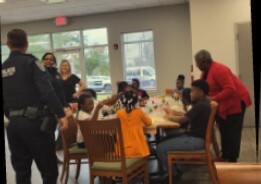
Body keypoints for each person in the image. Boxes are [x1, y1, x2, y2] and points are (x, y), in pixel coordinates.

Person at [2, 29, 68, 184]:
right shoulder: (32, 63)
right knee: (49, 170)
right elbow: (47, 92)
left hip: (13, 126)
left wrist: (12, 116)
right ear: (26, 43)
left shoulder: (3, 67)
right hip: (35, 124)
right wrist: (61, 114)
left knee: (22, 172)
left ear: (8, 44)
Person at [194, 49, 252, 162]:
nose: (197, 66)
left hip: (236, 101)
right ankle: (225, 155)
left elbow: (230, 89)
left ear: (205, 61)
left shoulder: (219, 69)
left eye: (198, 63)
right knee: (224, 129)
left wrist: (214, 98)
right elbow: (203, 87)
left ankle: (231, 158)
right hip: (224, 103)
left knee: (231, 130)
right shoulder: (205, 72)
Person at [156, 79, 211, 182]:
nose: (190, 94)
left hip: (196, 140)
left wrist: (168, 116)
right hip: (196, 137)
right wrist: (171, 114)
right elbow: (186, 115)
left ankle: (175, 174)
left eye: (192, 91)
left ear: (201, 92)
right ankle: (178, 169)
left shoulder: (200, 106)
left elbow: (181, 120)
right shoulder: (203, 104)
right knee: (164, 139)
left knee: (159, 148)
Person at [42, 52, 68, 152]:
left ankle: (52, 155)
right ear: (43, 61)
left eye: (51, 59)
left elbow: (60, 91)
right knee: (46, 133)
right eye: (46, 59)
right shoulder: (41, 73)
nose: (48, 61)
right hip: (46, 109)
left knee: (54, 132)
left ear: (54, 62)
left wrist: (65, 105)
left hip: (57, 108)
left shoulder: (57, 74)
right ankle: (48, 156)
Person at [116, 91, 152, 157]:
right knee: (145, 139)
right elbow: (149, 122)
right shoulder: (139, 112)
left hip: (122, 149)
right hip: (138, 149)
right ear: (136, 102)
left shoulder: (119, 113)